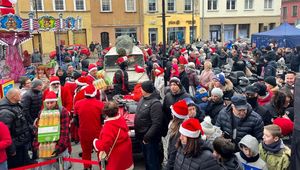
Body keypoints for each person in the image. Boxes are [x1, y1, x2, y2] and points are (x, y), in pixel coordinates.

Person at [33, 91, 71, 170]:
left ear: (56, 101)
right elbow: (38, 131)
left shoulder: (63, 111)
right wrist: (36, 146)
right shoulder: (41, 112)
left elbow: (65, 131)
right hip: (44, 148)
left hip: (59, 149)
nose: (49, 105)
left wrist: (59, 147)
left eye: (52, 102)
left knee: (62, 167)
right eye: (48, 103)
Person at [93, 101, 134, 170]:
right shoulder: (121, 119)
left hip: (116, 155)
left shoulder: (108, 127)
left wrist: (95, 142)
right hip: (126, 150)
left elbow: (104, 145)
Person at [0, 88, 32, 169]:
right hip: (15, 146)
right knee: (17, 166)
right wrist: (12, 150)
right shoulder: (5, 113)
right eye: (19, 94)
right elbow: (6, 134)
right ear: (14, 97)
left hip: (21, 142)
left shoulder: (15, 104)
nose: (21, 96)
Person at [135, 81, 164, 170]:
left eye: (142, 88)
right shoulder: (143, 98)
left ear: (146, 90)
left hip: (150, 139)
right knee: (147, 160)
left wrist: (147, 137)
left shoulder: (155, 104)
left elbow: (157, 123)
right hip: (142, 137)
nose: (140, 89)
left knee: (152, 162)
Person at [74, 85, 104, 170]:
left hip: (83, 132)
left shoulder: (78, 104)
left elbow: (76, 121)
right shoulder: (100, 104)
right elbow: (102, 120)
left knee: (86, 152)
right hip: (97, 131)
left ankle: (87, 167)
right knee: (99, 151)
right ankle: (102, 166)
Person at [166, 100, 189, 170]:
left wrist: (168, 166)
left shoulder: (178, 131)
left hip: (176, 162)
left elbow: (173, 151)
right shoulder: (176, 126)